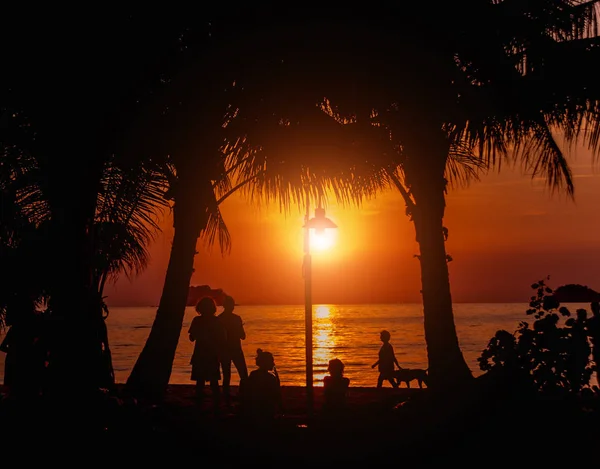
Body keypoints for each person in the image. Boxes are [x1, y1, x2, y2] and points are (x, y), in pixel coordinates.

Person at [188, 296, 226, 407]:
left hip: (200, 353)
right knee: (214, 382)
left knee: (200, 381)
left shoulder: (197, 320)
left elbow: (192, 337)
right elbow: (223, 338)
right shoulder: (217, 321)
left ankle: (199, 404)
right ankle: (216, 404)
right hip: (212, 354)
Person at [217, 295, 248, 404]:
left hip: (224, 350)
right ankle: (242, 393)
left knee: (226, 374)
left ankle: (226, 395)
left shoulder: (219, 319)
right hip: (235, 349)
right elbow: (242, 336)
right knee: (243, 373)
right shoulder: (236, 318)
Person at [239, 348, 282, 424]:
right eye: (272, 361)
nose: (274, 364)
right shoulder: (271, 378)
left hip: (252, 408)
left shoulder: (253, 374)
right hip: (264, 410)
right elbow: (276, 396)